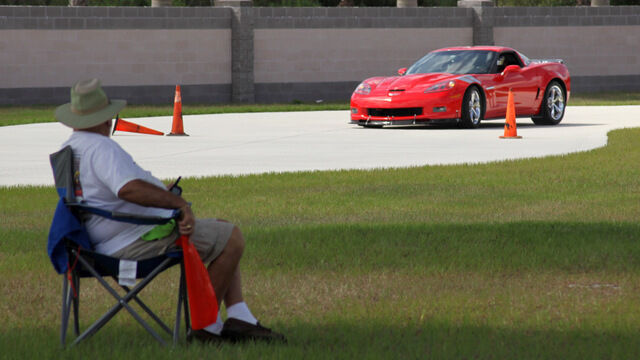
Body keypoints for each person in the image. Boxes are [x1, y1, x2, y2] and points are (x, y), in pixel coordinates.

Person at [54, 78, 285, 344]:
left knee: (220, 228)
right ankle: (206, 329)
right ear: (101, 119)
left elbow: (102, 197)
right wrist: (177, 204)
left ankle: (239, 317)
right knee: (231, 238)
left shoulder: (69, 150)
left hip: (91, 246)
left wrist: (158, 194)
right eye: (108, 117)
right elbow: (127, 189)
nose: (110, 122)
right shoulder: (100, 147)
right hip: (127, 244)